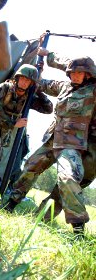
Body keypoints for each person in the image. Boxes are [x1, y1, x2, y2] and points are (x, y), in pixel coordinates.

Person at [1, 54, 96, 236]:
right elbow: (41, 84)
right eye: (73, 72)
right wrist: (40, 65)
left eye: (80, 72)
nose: (75, 75)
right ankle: (10, 204)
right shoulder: (63, 86)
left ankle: (78, 229)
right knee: (30, 167)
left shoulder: (93, 90)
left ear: (88, 74)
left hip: (72, 145)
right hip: (52, 140)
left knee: (67, 179)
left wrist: (54, 57)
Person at [35, 49, 96, 222]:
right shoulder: (83, 85)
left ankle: (42, 218)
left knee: (70, 184)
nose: (75, 75)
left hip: (93, 148)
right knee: (67, 180)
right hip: (77, 139)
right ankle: (45, 220)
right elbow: (70, 63)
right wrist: (50, 55)